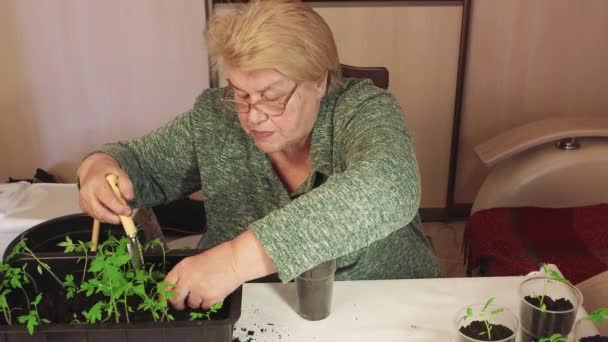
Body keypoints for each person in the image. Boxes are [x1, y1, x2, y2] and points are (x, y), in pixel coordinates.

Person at [76, 0, 440, 311]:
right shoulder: (215, 117)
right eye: (240, 93)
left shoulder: (361, 110)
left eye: (272, 95)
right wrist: (99, 166)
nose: (252, 115)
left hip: (381, 302)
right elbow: (139, 164)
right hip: (252, 308)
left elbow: (390, 187)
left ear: (320, 81)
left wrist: (236, 259)